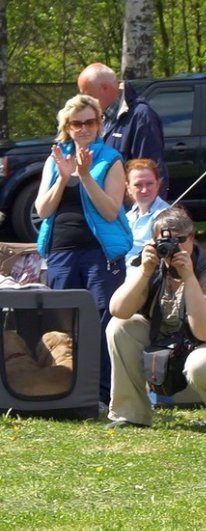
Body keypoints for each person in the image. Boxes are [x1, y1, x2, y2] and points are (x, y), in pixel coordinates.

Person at [105, 206, 206, 431]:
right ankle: (131, 414)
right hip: (172, 337)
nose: (173, 247)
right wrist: (145, 271)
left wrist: (189, 277)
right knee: (119, 327)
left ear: (193, 239)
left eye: (180, 240)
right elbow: (118, 309)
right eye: (164, 241)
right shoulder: (152, 265)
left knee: (201, 364)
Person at [35, 94, 132, 409]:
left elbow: (110, 211)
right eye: (77, 123)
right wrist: (63, 179)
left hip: (99, 253)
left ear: (100, 124)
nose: (84, 128)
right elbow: (42, 209)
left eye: (90, 122)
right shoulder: (55, 159)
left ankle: (102, 394)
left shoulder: (111, 159)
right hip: (61, 251)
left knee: (102, 320)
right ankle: (63, 389)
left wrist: (86, 175)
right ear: (67, 127)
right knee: (62, 320)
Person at [77, 63, 168, 198]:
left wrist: (145, 210)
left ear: (105, 88)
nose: (85, 101)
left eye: (88, 95)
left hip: (127, 207)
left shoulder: (141, 116)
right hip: (100, 204)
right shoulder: (98, 117)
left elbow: (150, 172)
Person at [124, 158, 170, 268]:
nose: (144, 190)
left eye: (149, 184)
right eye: (138, 185)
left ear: (158, 184)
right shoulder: (127, 217)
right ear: (128, 187)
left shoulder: (167, 217)